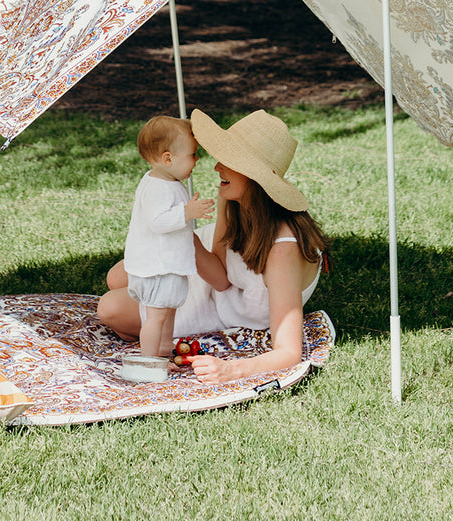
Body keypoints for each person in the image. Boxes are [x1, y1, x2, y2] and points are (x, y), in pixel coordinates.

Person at [98, 108, 327, 384]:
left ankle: (146, 333)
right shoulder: (231, 200)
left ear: (254, 176)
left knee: (109, 309)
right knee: (117, 276)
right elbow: (219, 275)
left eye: (228, 161)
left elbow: (289, 352)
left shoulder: (282, 251)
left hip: (221, 303)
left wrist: (233, 370)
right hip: (210, 264)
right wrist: (181, 237)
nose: (216, 167)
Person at [120, 115, 215, 361]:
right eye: (193, 154)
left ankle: (162, 354)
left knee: (167, 314)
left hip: (166, 267)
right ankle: (149, 362)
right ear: (168, 158)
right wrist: (187, 213)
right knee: (155, 318)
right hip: (156, 269)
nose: (197, 159)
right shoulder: (157, 187)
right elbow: (158, 222)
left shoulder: (168, 181)